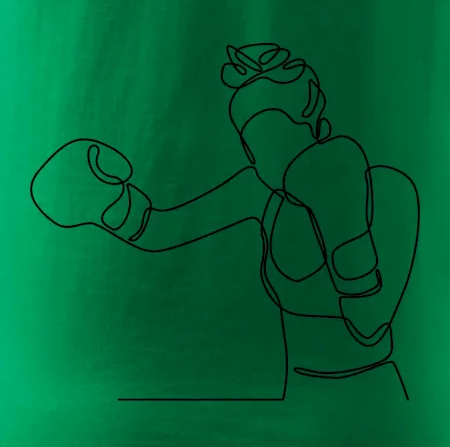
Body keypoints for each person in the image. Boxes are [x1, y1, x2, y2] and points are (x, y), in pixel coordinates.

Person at [30, 43, 420, 400]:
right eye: (251, 142)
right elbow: (158, 228)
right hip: (295, 397)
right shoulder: (261, 192)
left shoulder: (387, 188)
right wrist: (103, 199)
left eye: (272, 130)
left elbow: (369, 324)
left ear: (308, 113)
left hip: (377, 398)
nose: (262, 155)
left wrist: (339, 208)